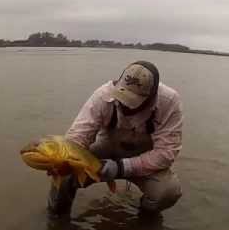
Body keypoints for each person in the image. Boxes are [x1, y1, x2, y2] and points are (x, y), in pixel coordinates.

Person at [48, 61, 183, 218]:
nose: (125, 103)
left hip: (145, 156)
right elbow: (77, 137)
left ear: (151, 97)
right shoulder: (102, 95)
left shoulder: (170, 102)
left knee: (168, 192)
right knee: (64, 175)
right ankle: (56, 219)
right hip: (107, 147)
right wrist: (63, 161)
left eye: (132, 101)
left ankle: (144, 220)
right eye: (122, 96)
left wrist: (121, 167)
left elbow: (166, 153)